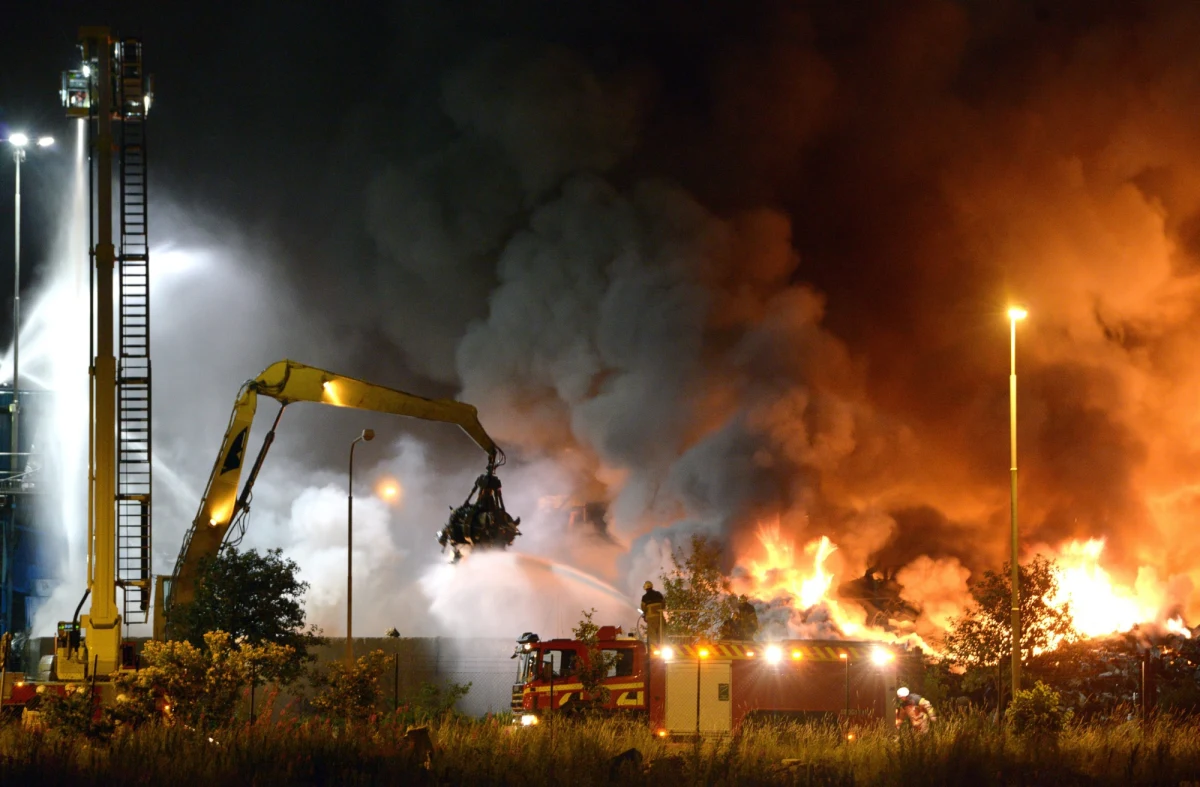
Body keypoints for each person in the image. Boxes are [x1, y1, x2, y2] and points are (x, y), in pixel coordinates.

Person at [640, 581, 665, 646]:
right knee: (662, 633)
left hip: (651, 619)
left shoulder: (644, 597)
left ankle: (654, 649)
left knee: (652, 634)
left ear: (645, 588)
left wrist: (644, 616)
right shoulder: (659, 594)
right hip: (660, 617)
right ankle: (663, 646)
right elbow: (663, 604)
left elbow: (643, 608)